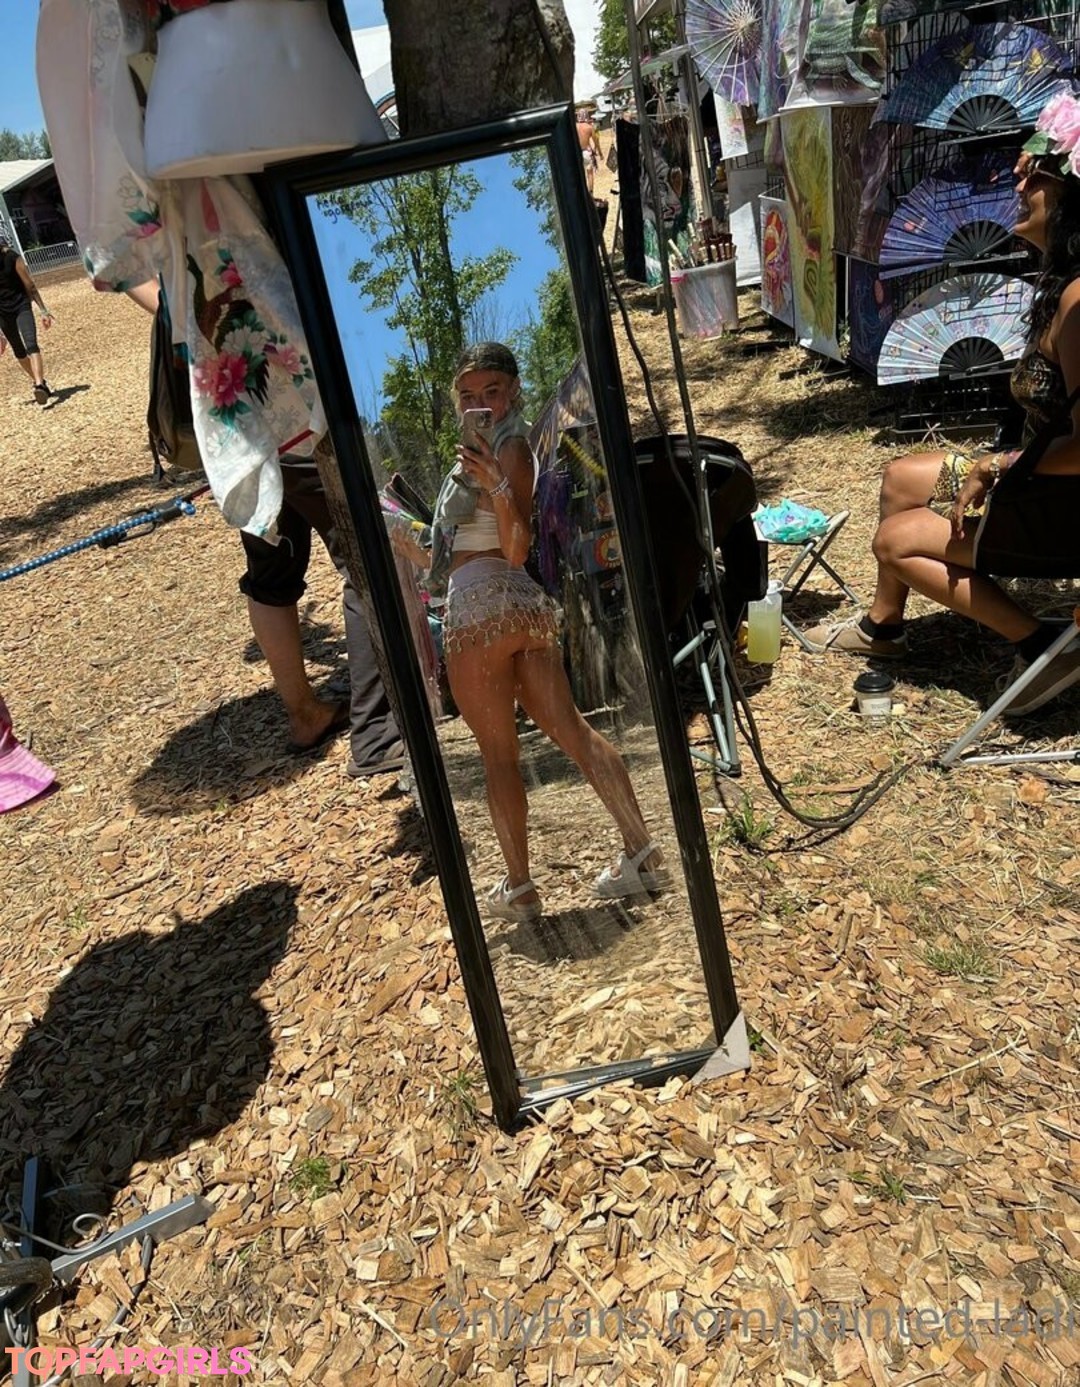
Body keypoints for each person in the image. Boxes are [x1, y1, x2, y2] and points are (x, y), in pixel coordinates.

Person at [804, 101, 1080, 717]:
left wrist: (995, 465)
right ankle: (884, 627)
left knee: (895, 542)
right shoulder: (1060, 286)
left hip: (1060, 509)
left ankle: (1042, 645)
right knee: (901, 478)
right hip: (1037, 483)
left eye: (1035, 176)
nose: (1017, 185)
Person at [421, 342, 670, 924]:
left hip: (480, 610)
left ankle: (520, 888)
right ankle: (641, 851)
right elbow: (482, 545)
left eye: (492, 391)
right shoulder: (489, 451)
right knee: (575, 733)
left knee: (498, 758)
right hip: (523, 612)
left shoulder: (509, 449)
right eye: (468, 394)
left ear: (513, 392)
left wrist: (497, 485)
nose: (481, 403)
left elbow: (516, 546)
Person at [128, 278, 403, 775]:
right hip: (301, 410)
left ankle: (305, 715)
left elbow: (123, 273)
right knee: (368, 559)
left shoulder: (176, 236)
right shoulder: (239, 231)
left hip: (238, 421)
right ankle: (379, 734)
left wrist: (193, 317)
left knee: (271, 572)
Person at [0, 235, 53, 404]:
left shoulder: (12, 258)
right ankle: (40, 383)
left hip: (21, 306)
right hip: (3, 313)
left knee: (31, 344)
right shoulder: (11, 257)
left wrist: (43, 310)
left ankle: (39, 384)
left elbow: (30, 285)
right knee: (19, 350)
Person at [577, 107, 602, 195]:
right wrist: (600, 153)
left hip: (577, 152)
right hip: (587, 152)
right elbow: (596, 142)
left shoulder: (575, 126)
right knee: (590, 173)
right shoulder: (589, 127)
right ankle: (591, 194)